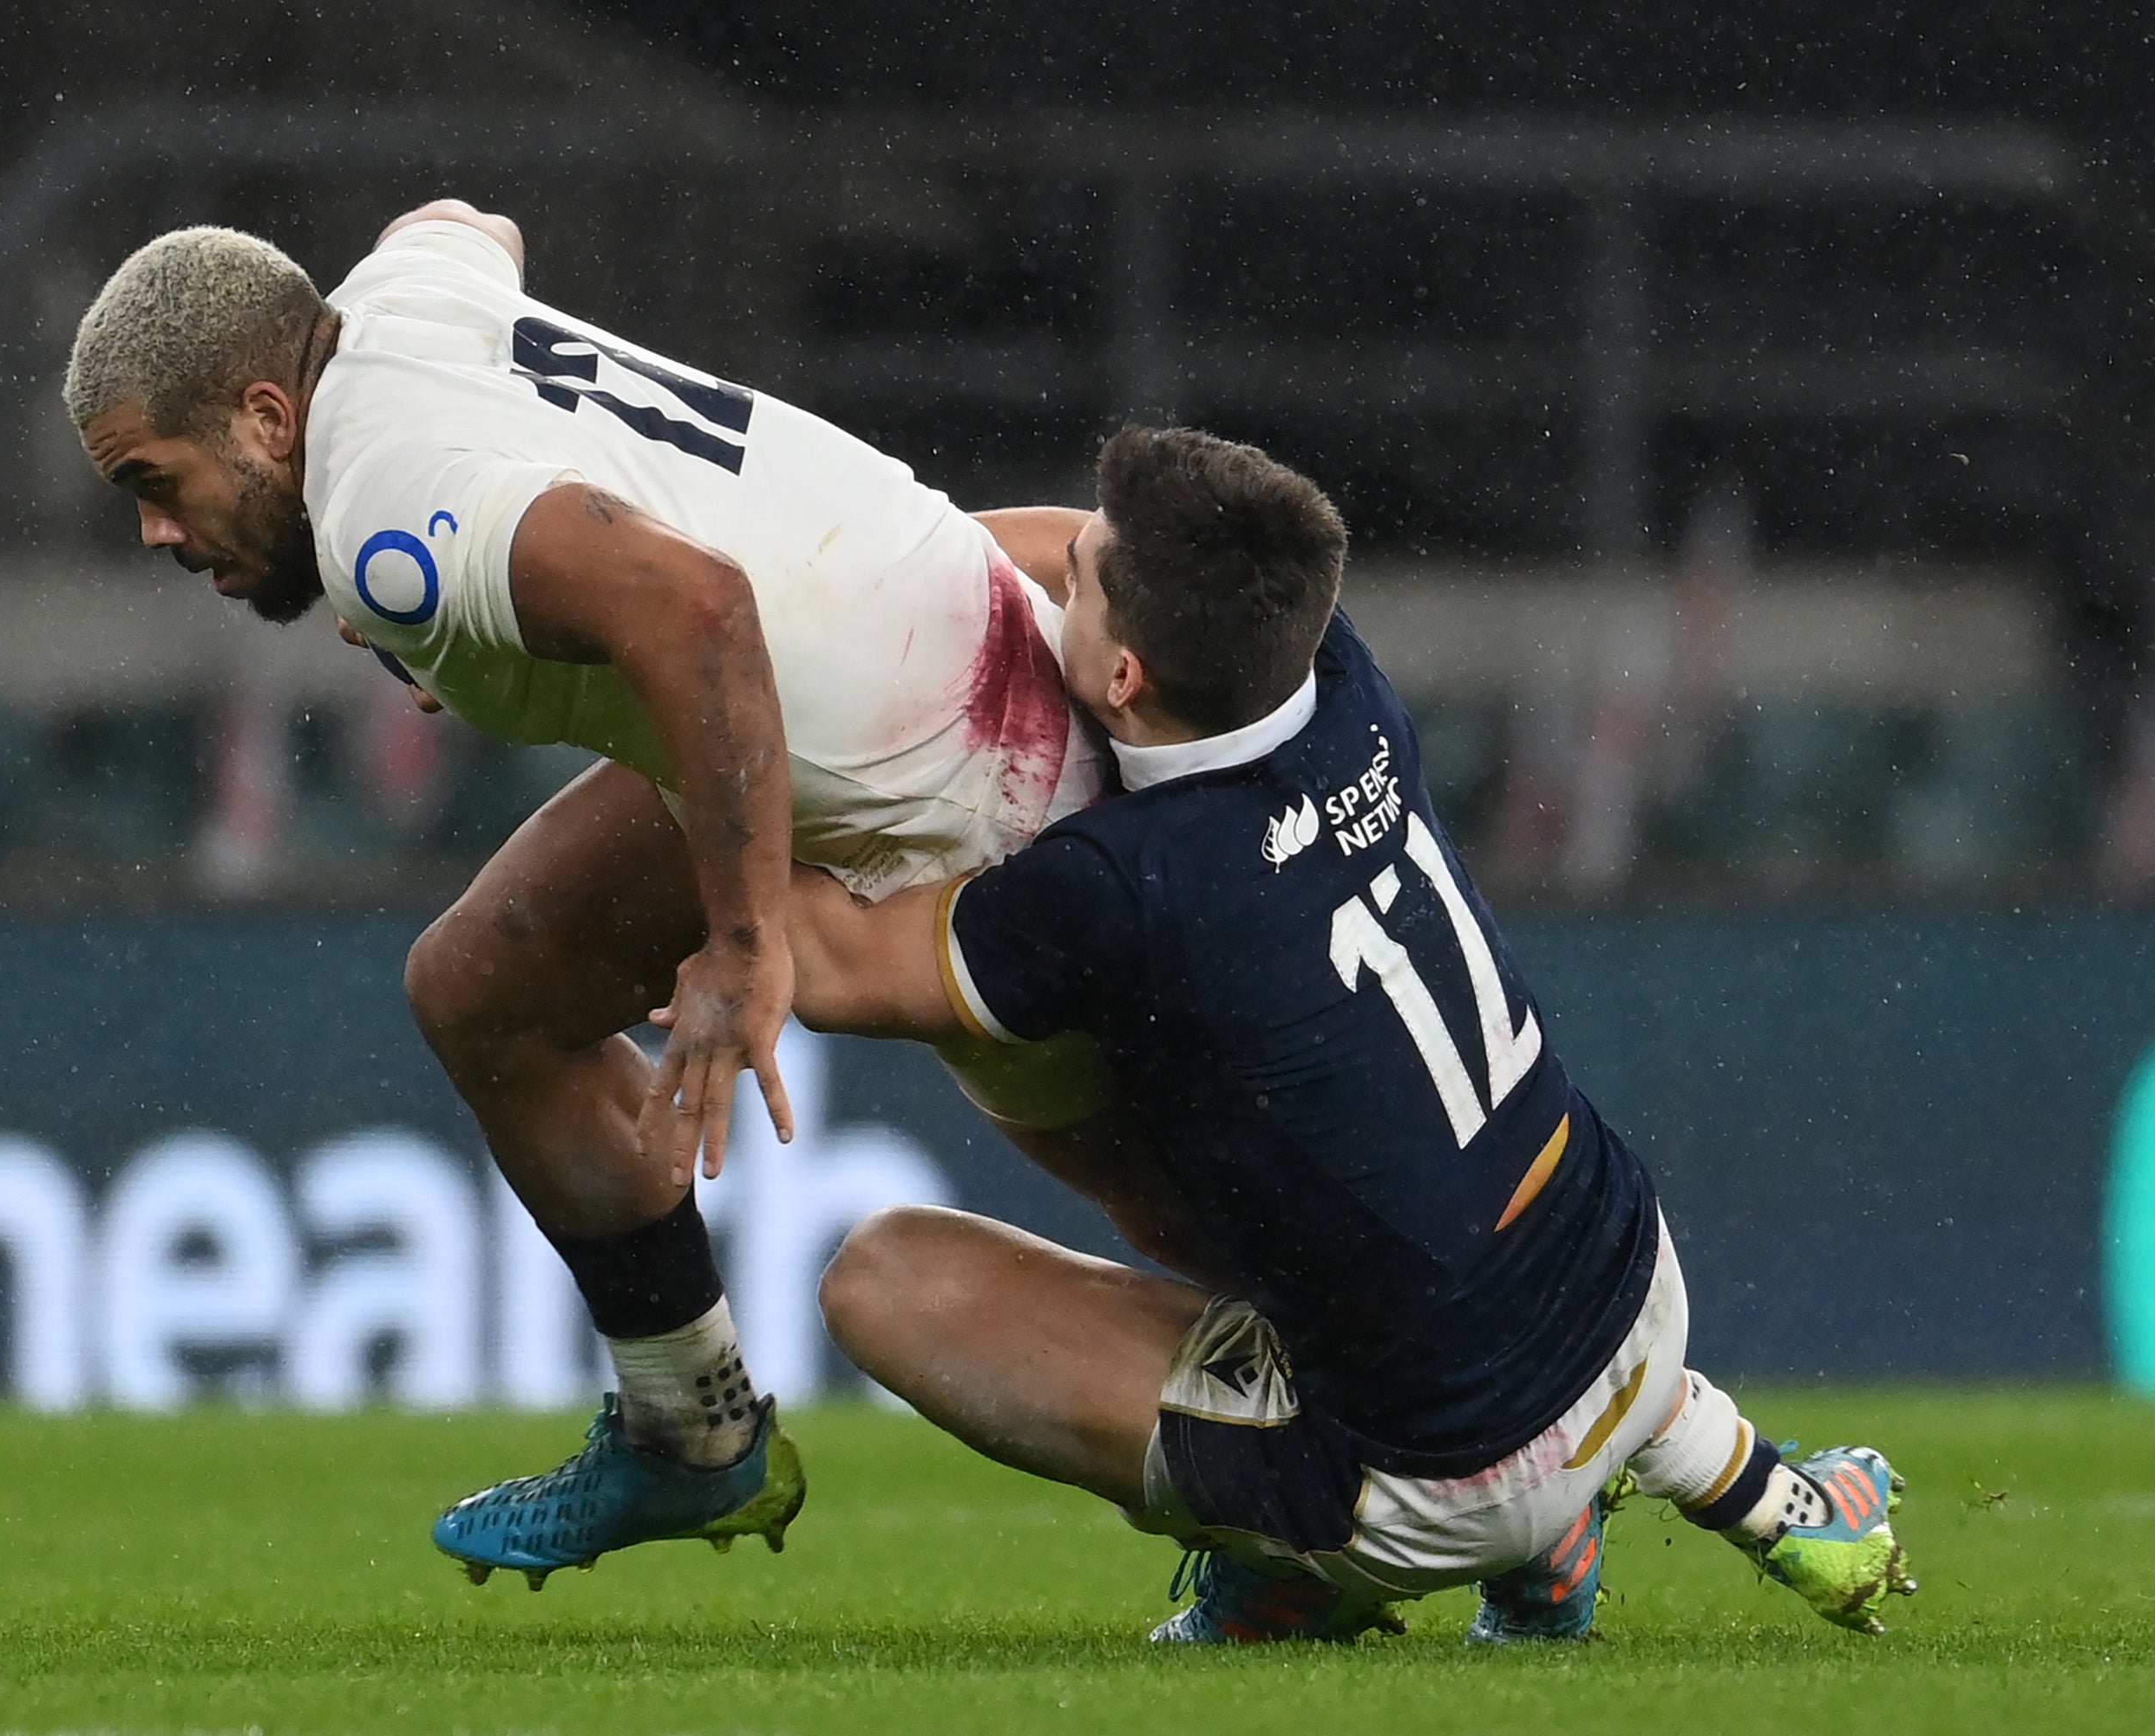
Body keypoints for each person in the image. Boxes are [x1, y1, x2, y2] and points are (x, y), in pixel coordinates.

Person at [63, 202, 1108, 1583]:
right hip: (915, 645)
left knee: (1172, 1194)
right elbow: (463, 219)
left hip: (973, 789)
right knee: (484, 984)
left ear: (268, 417)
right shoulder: (397, 299)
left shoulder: (381, 500)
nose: (151, 530)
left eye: (156, 477)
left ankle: (1364, 1492)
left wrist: (745, 947)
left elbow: (697, 611)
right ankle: (689, 1426)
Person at [781, 425, 1916, 1642]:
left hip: (1445, 1474)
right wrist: (906, 571)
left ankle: (1297, 1563)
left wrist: (719, 709)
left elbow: (837, 965)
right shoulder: (1337, 683)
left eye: (1088, 584)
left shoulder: (1135, 885)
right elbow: (1076, 551)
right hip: (1629, 1276)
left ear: (1125, 678)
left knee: (881, 1280)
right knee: (1286, 1176)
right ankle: (1731, 1474)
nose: (1065, 572)